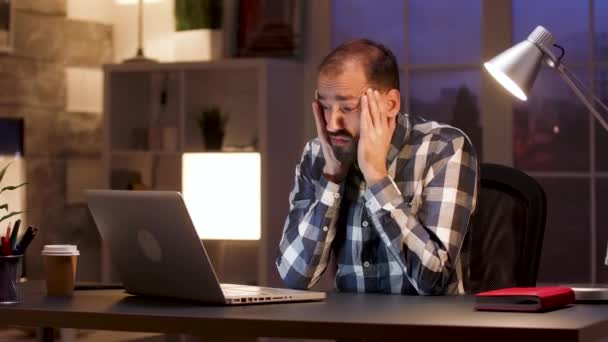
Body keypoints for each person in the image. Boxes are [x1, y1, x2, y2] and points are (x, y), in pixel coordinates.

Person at [275, 39, 478, 295]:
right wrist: (332, 179)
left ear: (390, 104)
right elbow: (294, 277)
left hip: (427, 331)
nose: (332, 124)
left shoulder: (444, 147)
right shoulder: (318, 154)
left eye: (347, 107)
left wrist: (376, 176)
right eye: (325, 107)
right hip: (351, 331)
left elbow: (433, 281)